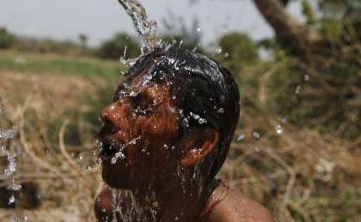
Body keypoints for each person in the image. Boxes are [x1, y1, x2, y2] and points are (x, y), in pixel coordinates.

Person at [94, 44, 273, 221]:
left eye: (142, 106)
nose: (109, 113)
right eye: (119, 98)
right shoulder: (115, 210)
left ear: (194, 145)